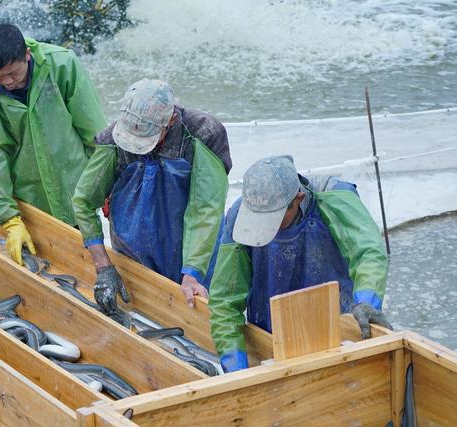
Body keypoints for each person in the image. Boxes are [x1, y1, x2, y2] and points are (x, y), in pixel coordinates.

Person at [209, 155, 392, 373]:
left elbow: (368, 251)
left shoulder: (333, 197)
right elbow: (225, 299)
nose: (265, 228)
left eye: (273, 220)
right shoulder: (240, 215)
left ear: (298, 199)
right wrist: (236, 369)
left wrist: (366, 300)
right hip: (271, 334)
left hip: (339, 331)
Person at [72, 79, 232, 314]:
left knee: (196, 315)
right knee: (141, 312)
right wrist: (103, 265)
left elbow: (204, 208)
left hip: (194, 246)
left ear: (170, 121)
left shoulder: (203, 134)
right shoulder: (114, 138)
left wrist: (192, 273)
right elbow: (84, 201)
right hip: (132, 247)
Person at [0, 23, 107, 266]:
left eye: (13, 73)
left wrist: (105, 184)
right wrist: (9, 218)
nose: (7, 82)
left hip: (74, 188)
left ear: (27, 55)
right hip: (29, 200)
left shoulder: (63, 66)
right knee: (46, 265)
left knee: (84, 260)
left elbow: (94, 132)